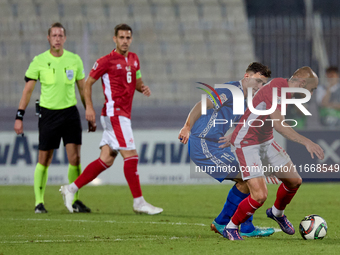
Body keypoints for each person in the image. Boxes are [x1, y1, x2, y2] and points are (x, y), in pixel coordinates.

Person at [60, 24, 163, 215]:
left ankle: (71, 189)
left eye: (128, 37)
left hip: (122, 115)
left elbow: (137, 82)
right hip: (114, 114)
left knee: (106, 159)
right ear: (114, 39)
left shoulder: (134, 59)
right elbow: (88, 83)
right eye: (121, 37)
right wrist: (89, 107)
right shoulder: (105, 61)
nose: (125, 41)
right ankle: (139, 202)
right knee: (131, 156)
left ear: (131, 39)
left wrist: (143, 88)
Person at [224, 66, 325, 240]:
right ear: (302, 83)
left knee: (294, 181)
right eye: (312, 89)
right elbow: (279, 124)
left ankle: (277, 213)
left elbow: (256, 110)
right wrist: (306, 141)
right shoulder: (278, 88)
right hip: (248, 143)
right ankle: (231, 227)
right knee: (259, 195)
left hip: (265, 141)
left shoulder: (285, 92)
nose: (312, 93)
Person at [178, 62, 275, 237]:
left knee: (247, 180)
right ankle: (227, 223)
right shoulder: (231, 90)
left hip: (216, 145)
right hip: (203, 144)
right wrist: (187, 126)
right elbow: (202, 105)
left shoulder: (246, 100)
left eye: (263, 84)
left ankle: (238, 225)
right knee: (248, 179)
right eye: (259, 81)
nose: (260, 87)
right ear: (247, 76)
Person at [14, 22, 92, 213]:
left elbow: (82, 88)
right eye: (54, 35)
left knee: (75, 158)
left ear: (65, 38)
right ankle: (39, 202)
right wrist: (19, 116)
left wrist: (88, 109)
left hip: (70, 113)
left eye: (60, 35)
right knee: (44, 159)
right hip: (48, 114)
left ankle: (74, 200)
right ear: (48, 38)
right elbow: (28, 90)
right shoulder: (39, 61)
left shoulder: (74, 60)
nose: (57, 38)